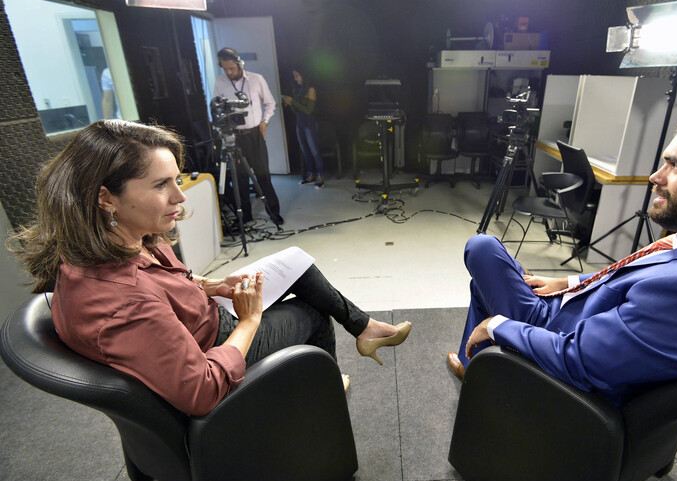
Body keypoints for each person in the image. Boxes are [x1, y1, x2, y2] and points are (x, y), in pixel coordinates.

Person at [9, 120, 412, 416]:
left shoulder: (117, 241)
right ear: (105, 198)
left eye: (176, 180)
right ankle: (323, 395)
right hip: (212, 342)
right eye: (160, 185)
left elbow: (164, 284)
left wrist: (212, 285)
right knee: (312, 312)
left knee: (297, 265)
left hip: (202, 320)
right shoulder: (123, 300)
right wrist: (249, 322)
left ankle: (363, 329)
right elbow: (201, 391)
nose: (180, 196)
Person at [448, 103, 677, 406]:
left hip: (563, 337)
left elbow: (579, 361)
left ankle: (483, 373)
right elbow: (642, 279)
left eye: (676, 166)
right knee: (488, 273)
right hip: (590, 316)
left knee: (483, 250)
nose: (655, 177)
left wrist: (499, 326)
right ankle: (477, 367)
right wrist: (570, 281)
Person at [213, 47, 284, 225]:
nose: (229, 72)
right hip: (234, 137)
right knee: (240, 180)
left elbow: (270, 103)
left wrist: (265, 121)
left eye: (231, 68)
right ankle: (245, 216)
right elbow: (216, 106)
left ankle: (273, 212)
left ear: (240, 64)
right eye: (225, 69)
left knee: (263, 176)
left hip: (254, 135)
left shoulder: (256, 79)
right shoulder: (220, 81)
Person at [282, 68, 324, 189]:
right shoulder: (297, 90)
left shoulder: (311, 90)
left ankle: (320, 178)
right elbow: (297, 110)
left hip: (309, 123)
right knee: (305, 150)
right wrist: (290, 103)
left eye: (297, 75)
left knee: (314, 151)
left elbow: (308, 110)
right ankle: (310, 176)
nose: (295, 78)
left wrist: (293, 102)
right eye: (294, 76)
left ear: (304, 75)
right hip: (299, 122)